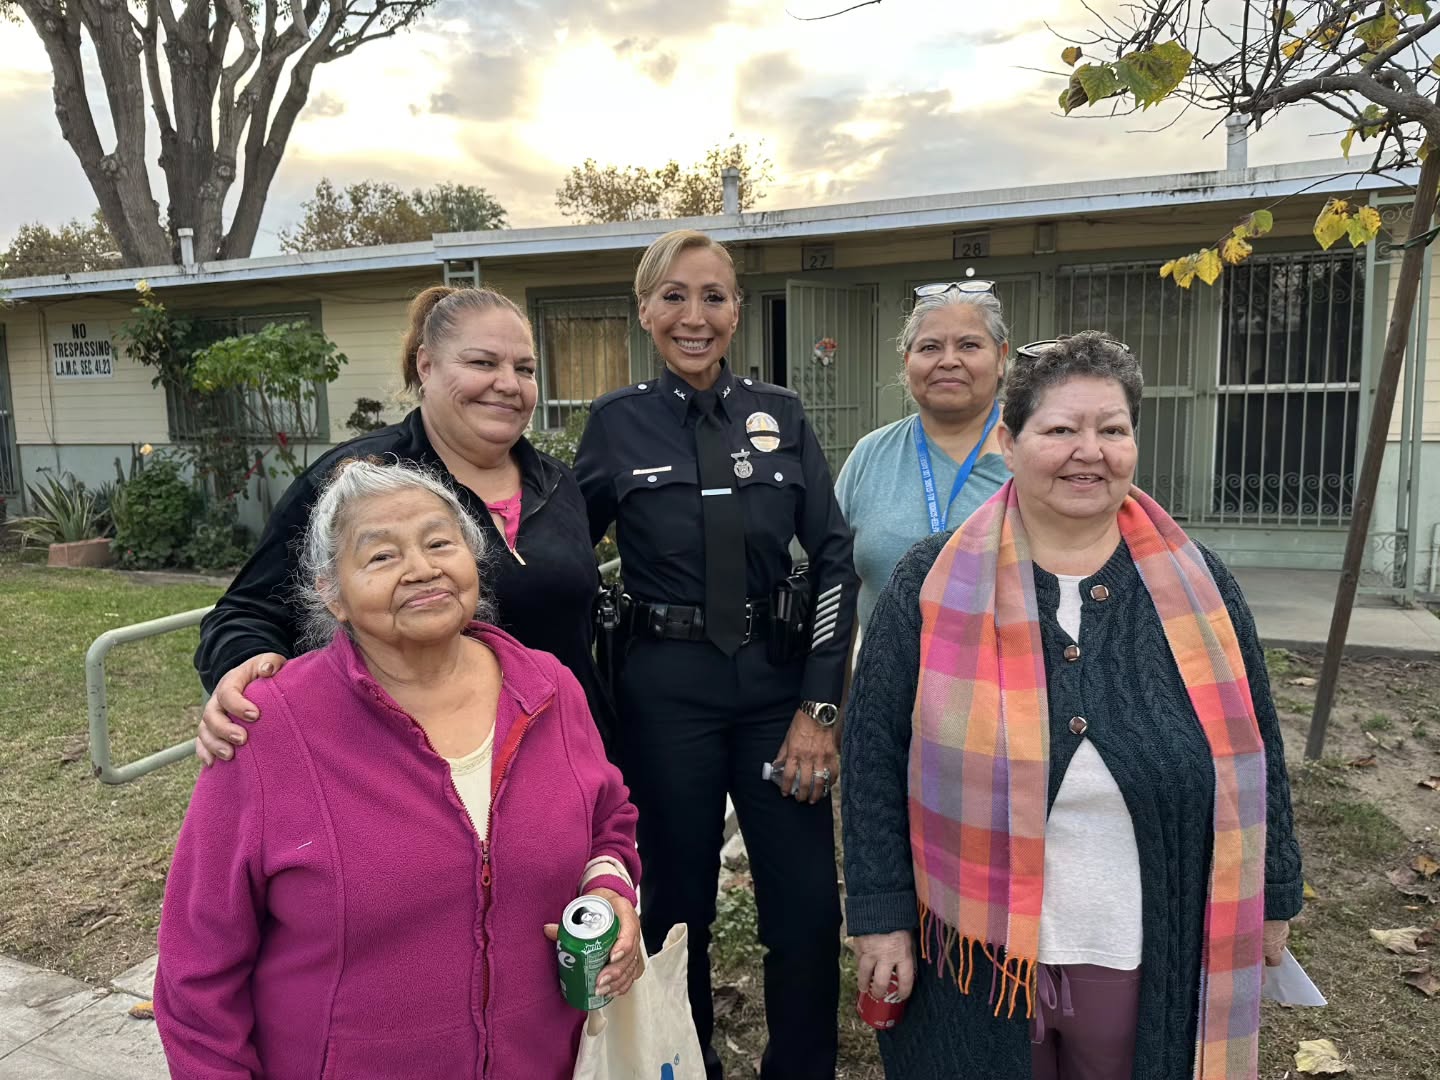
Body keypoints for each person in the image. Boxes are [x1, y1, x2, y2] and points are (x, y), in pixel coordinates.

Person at [841, 332, 1303, 1079]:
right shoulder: (928, 582)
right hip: (973, 955)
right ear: (1008, 440)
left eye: (1112, 430)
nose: (1089, 451)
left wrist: (1273, 894)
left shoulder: (1200, 585)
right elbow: (872, 759)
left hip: (1137, 946)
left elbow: (1259, 747)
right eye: (1060, 429)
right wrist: (880, 916)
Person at [154, 459, 642, 1078]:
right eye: (381, 556)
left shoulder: (548, 686)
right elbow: (197, 971)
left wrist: (610, 890)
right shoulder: (268, 729)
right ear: (332, 591)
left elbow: (609, 821)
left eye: (441, 542)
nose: (422, 568)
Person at [574, 228, 857, 1080]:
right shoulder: (615, 424)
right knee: (674, 909)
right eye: (674, 296)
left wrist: (820, 707)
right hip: (666, 696)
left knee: (806, 908)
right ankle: (680, 1063)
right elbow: (562, 559)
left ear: (737, 311)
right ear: (645, 311)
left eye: (714, 297)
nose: (694, 316)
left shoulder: (783, 415)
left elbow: (835, 560)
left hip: (779, 695)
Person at [193, 285, 614, 762]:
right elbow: (244, 613)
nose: (508, 384)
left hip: (564, 753)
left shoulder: (558, 483)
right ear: (426, 365)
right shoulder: (358, 480)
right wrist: (243, 668)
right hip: (412, 767)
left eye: (525, 369)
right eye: (482, 363)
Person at [835, 281, 1011, 630]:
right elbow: (839, 588)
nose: (948, 361)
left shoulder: (1034, 454)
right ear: (908, 361)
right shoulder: (871, 455)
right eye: (930, 347)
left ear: (1002, 357)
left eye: (969, 345)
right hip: (886, 681)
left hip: (1008, 680)